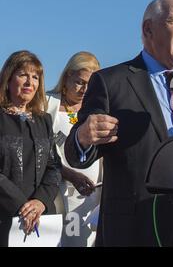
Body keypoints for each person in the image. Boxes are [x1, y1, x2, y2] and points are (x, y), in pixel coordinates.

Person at [64, 0, 173, 246]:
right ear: (148, 29)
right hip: (137, 228)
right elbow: (77, 154)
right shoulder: (111, 82)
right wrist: (83, 136)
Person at [0, 50, 61, 246]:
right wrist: (21, 205)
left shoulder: (44, 120)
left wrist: (40, 202)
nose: (29, 82)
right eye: (23, 75)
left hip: (40, 219)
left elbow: (54, 167)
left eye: (35, 77)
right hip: (4, 216)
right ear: (8, 79)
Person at [46, 51, 101, 246]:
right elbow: (39, 152)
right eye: (80, 82)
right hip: (55, 191)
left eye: (89, 85)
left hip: (89, 196)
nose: (84, 89)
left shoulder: (94, 110)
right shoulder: (47, 103)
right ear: (67, 75)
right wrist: (70, 175)